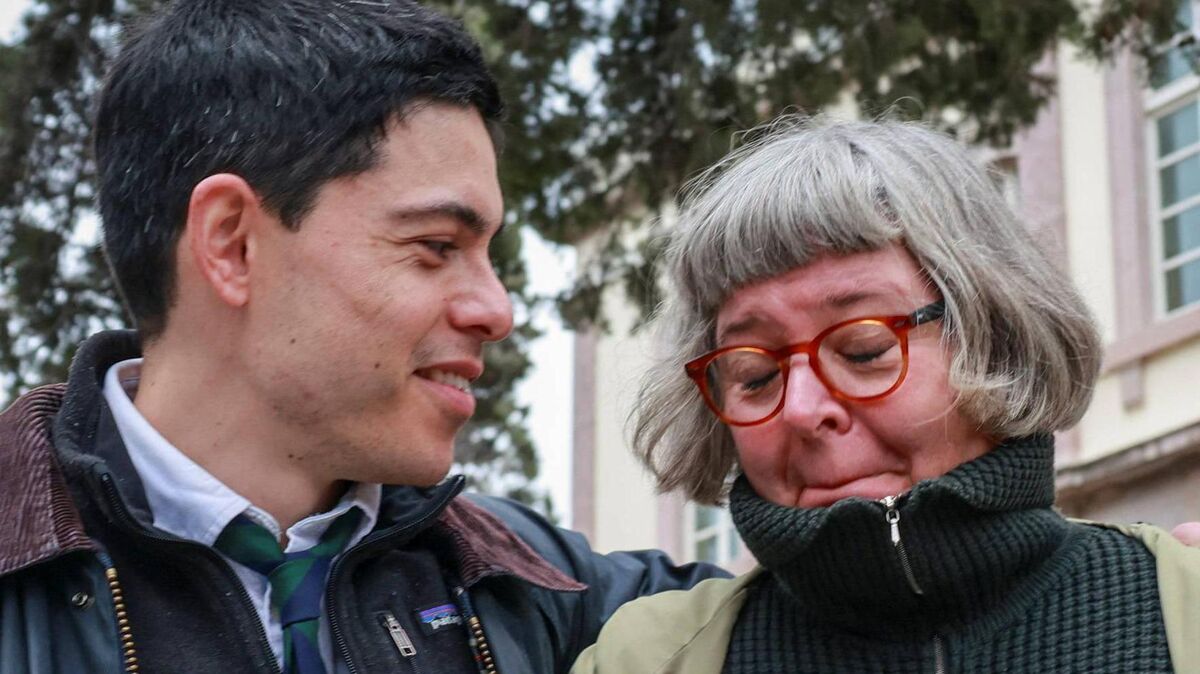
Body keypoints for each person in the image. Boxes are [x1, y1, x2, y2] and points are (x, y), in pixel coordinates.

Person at [0, 2, 718, 673]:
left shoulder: (540, 591)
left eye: (489, 253)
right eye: (436, 245)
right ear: (232, 244)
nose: (497, 311)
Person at [573, 118, 1200, 673]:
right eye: (756, 375)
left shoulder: (1180, 613)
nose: (801, 408)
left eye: (865, 350)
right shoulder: (645, 659)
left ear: (995, 334)